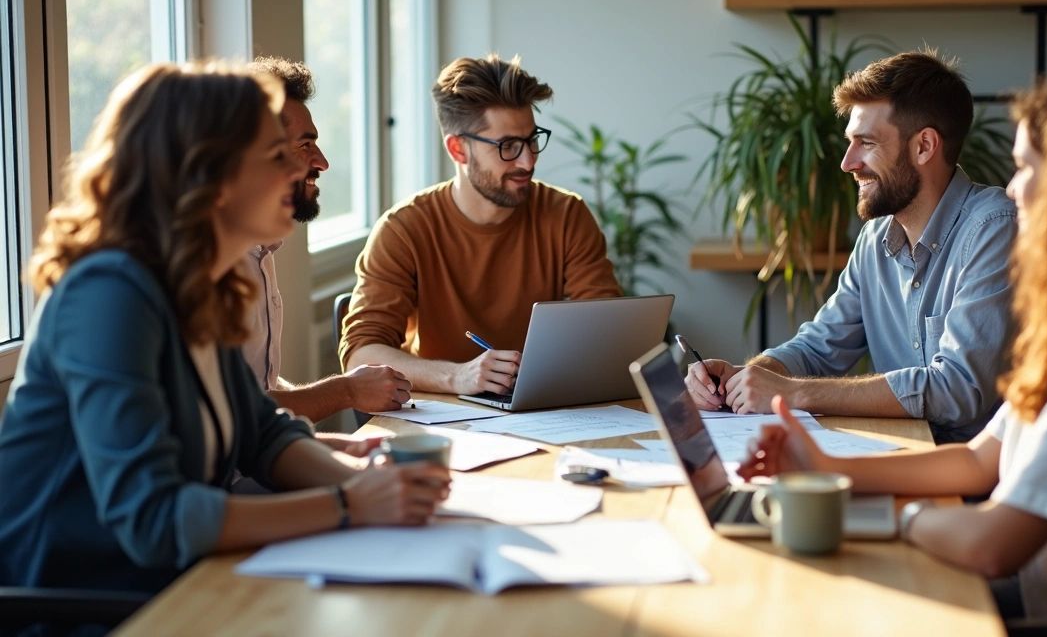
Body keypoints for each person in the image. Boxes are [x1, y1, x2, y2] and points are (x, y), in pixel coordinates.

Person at [739, 66, 1047, 634]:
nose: (1014, 189)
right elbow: (976, 460)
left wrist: (902, 519)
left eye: (1026, 168)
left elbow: (994, 545)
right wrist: (824, 468)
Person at [0, 63, 450, 595]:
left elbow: (263, 433)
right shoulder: (108, 294)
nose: (298, 169)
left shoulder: (203, 286)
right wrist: (350, 503)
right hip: (84, 607)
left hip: (183, 582)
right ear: (206, 174)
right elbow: (153, 517)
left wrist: (371, 485)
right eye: (273, 155)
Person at [686, 51, 1017, 443]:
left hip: (976, 481)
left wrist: (794, 393)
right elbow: (818, 347)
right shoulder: (875, 239)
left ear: (924, 146)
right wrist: (746, 378)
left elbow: (958, 390)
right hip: (899, 454)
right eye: (850, 142)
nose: (847, 163)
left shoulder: (993, 229)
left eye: (866, 143)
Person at [339, 53, 622, 396]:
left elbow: (609, 331)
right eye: (507, 146)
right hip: (441, 415)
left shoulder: (565, 215)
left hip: (542, 409)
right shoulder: (404, 230)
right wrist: (458, 376)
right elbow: (360, 356)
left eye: (532, 139)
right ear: (458, 149)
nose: (528, 160)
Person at [243, 57, 411, 433]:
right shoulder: (207, 264)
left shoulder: (259, 252)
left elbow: (254, 392)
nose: (322, 162)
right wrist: (346, 391)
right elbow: (239, 414)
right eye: (305, 145)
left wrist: (345, 449)